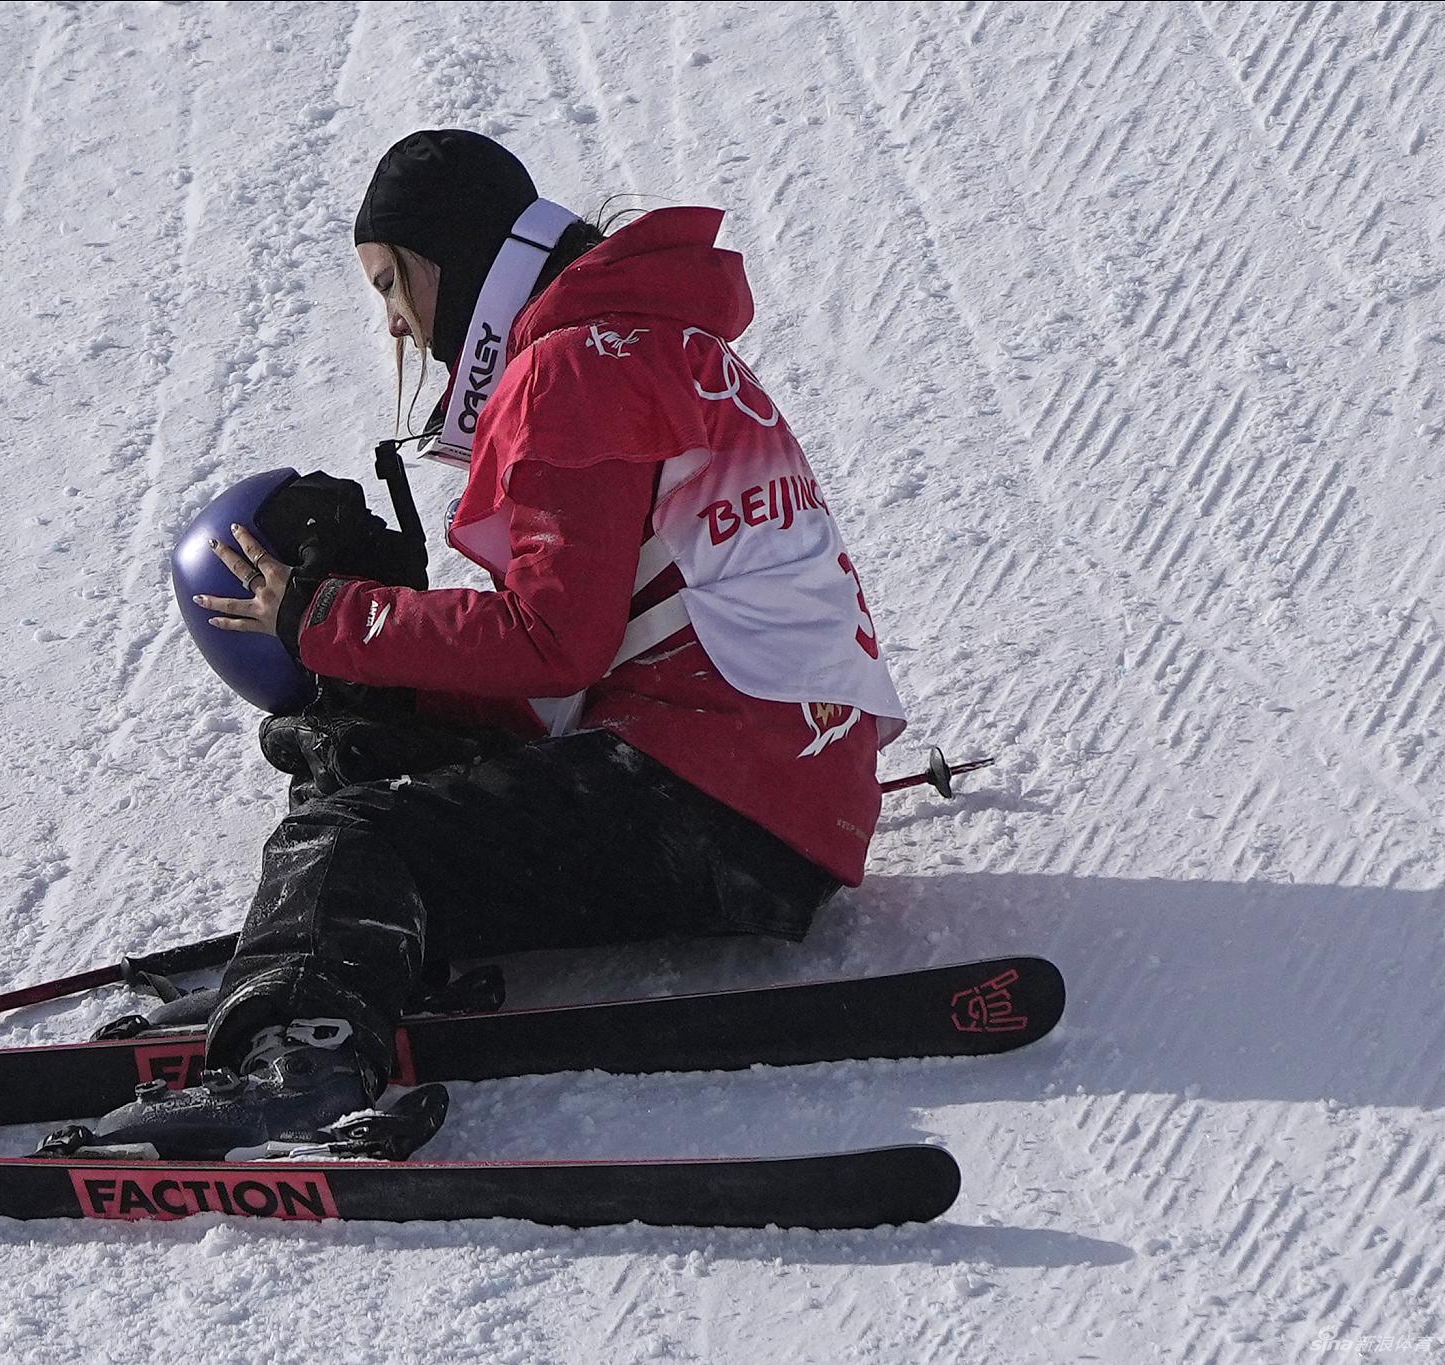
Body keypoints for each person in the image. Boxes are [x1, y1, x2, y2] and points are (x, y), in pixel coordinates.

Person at [65, 130, 907, 1160]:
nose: (398, 328)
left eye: (389, 287)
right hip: (781, 782)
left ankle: (299, 1065)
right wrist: (410, 716)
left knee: (354, 836)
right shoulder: (647, 344)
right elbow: (603, 644)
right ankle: (355, 953)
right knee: (389, 776)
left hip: (716, 800)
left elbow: (552, 644)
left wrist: (325, 619)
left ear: (441, 262)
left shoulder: (565, 370)